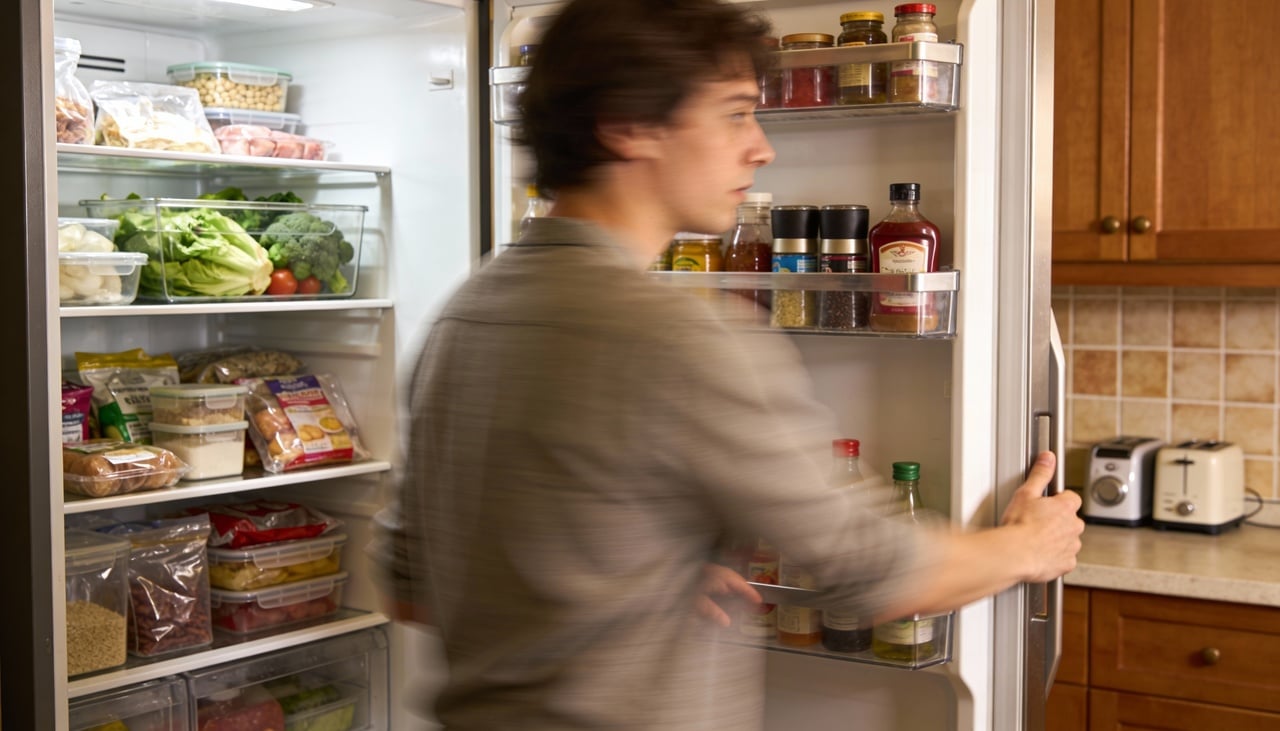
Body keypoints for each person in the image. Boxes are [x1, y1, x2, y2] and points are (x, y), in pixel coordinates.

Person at [388, 0, 1083, 728]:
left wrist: (632, 581)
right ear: (627, 123)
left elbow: (414, 589)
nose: (761, 148)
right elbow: (875, 571)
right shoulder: (678, 337)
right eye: (734, 114)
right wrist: (1025, 546)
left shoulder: (465, 314)